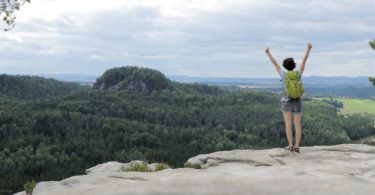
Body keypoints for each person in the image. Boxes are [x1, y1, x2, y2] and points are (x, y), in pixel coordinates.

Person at [264, 43, 313, 152]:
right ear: (294, 65)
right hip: (297, 101)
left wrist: (268, 53)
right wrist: (308, 49)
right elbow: (304, 60)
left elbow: (275, 63)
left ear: (285, 67)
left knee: (288, 124)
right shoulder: (298, 74)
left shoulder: (284, 75)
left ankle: (290, 145)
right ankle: (297, 146)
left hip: (286, 101)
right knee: (297, 124)